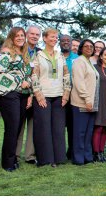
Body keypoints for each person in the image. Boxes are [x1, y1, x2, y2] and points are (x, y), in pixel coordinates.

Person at [31, 28, 71, 167]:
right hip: (43, 96)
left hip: (59, 96)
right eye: (52, 37)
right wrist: (38, 95)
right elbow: (34, 75)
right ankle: (45, 160)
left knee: (58, 129)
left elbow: (66, 75)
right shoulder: (39, 55)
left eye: (56, 37)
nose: (55, 39)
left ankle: (59, 158)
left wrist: (66, 94)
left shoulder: (60, 55)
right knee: (44, 128)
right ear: (45, 38)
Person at [0, 27, 33, 172]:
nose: (20, 38)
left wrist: (29, 92)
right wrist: (19, 81)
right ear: (11, 37)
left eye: (22, 35)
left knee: (17, 128)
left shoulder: (24, 54)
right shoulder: (6, 52)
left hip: (23, 94)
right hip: (9, 94)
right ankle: (7, 163)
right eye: (17, 35)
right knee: (11, 128)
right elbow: (0, 72)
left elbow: (28, 74)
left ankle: (12, 159)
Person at [70, 39, 100, 165]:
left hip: (91, 103)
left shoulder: (89, 62)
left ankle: (87, 157)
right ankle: (78, 158)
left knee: (88, 132)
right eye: (86, 46)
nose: (89, 48)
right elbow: (79, 82)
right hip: (82, 103)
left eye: (91, 46)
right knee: (80, 132)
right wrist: (87, 99)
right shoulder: (78, 61)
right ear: (81, 48)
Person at [16, 25, 41, 165]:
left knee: (33, 126)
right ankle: (15, 154)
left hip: (35, 93)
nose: (34, 36)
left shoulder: (40, 53)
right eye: (32, 33)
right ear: (26, 34)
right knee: (18, 125)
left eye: (37, 34)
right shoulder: (19, 50)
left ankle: (30, 155)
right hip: (21, 93)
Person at [59, 34, 79, 160]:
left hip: (74, 97)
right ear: (59, 43)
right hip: (58, 95)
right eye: (63, 41)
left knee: (72, 126)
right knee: (59, 126)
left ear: (72, 43)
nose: (66, 42)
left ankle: (71, 152)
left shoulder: (77, 58)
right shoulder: (56, 57)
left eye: (68, 41)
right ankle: (59, 153)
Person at [93, 47, 106, 163]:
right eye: (105, 55)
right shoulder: (95, 68)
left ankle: (101, 152)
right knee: (98, 127)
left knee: (105, 128)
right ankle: (96, 153)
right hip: (98, 100)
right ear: (101, 56)